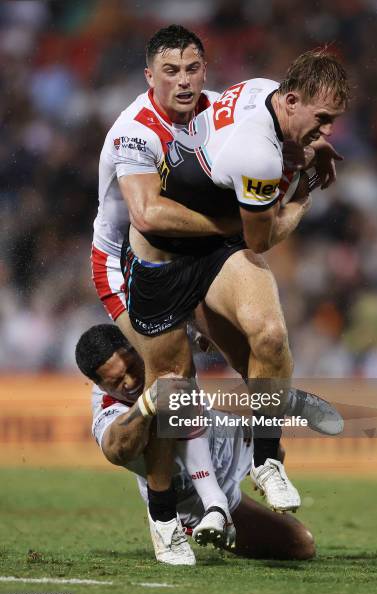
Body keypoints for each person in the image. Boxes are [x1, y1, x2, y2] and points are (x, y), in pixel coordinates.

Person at [94, 25, 343, 539]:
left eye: (192, 69)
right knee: (175, 385)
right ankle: (169, 510)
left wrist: (306, 145)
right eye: (170, 71)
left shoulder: (222, 110)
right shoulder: (134, 128)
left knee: (263, 340)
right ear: (150, 77)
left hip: (202, 255)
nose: (183, 82)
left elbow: (278, 125)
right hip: (130, 265)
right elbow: (147, 215)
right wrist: (242, 224)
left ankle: (267, 439)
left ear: (205, 70)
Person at [75, 324, 315, 565]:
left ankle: (284, 409)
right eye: (116, 381)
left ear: (136, 347)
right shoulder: (106, 408)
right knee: (301, 544)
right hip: (188, 493)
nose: (130, 381)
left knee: (273, 448)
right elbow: (116, 450)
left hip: (218, 434)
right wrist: (145, 405)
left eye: (131, 367)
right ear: (100, 385)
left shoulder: (159, 346)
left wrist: (210, 333)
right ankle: (188, 516)